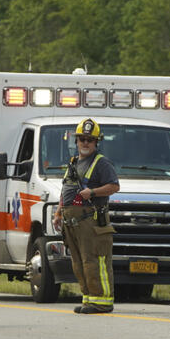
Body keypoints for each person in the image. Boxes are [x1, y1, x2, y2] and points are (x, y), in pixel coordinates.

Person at [51, 118, 120, 314]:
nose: (86, 143)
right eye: (82, 139)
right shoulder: (74, 162)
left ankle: (102, 302)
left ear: (97, 142)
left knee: (94, 261)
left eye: (90, 139)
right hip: (71, 222)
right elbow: (66, 190)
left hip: (91, 221)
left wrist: (93, 192)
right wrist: (58, 214)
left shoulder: (101, 163)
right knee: (79, 262)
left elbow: (114, 186)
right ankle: (89, 300)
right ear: (76, 141)